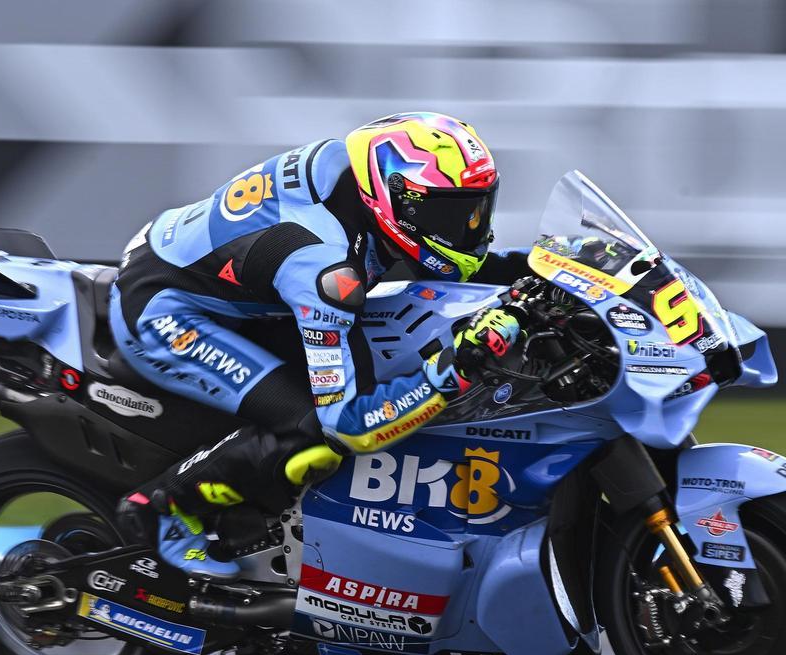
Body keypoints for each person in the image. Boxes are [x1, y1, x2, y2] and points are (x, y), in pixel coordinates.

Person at [108, 112, 526, 579]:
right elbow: (347, 425)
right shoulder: (327, 268)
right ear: (399, 201)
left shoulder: (358, 175)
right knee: (310, 431)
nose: (469, 228)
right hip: (164, 310)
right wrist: (456, 369)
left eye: (476, 211)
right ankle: (163, 506)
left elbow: (449, 263)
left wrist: (545, 267)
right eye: (451, 216)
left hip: (221, 276)